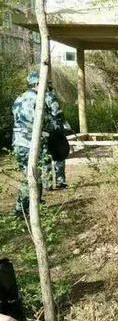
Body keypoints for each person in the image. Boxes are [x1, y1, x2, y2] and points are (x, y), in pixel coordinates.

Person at [12, 71, 58, 217]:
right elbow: (45, 122)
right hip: (31, 142)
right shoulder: (39, 99)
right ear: (38, 83)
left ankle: (34, 203)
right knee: (30, 175)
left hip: (18, 141)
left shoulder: (19, 98)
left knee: (31, 173)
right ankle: (21, 209)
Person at [42, 79, 69, 190]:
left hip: (43, 132)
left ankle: (46, 184)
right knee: (59, 155)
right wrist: (65, 123)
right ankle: (60, 182)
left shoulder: (35, 97)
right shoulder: (50, 96)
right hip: (55, 131)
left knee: (45, 157)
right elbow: (56, 112)